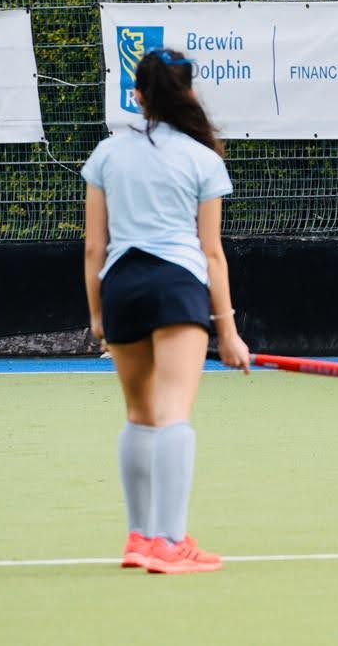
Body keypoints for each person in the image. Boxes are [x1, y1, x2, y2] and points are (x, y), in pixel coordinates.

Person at [81, 47, 250, 575]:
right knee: (174, 411)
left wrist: (97, 316)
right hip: (177, 287)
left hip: (121, 286)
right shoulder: (204, 159)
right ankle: (170, 542)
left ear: (138, 96)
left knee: (139, 414)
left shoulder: (107, 154)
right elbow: (212, 253)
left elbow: (93, 247)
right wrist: (229, 332)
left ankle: (139, 540)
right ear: (189, 93)